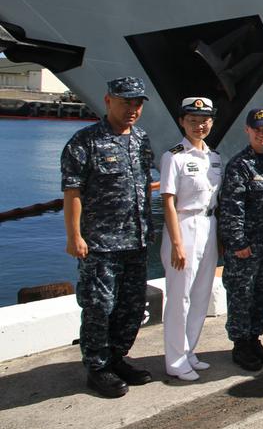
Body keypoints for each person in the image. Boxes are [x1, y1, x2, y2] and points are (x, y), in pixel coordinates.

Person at [60, 76, 154, 398]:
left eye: (138, 103)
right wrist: (74, 236)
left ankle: (117, 357)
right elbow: (73, 191)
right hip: (100, 244)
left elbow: (142, 186)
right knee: (99, 307)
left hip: (136, 242)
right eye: (126, 101)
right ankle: (97, 368)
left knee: (130, 307)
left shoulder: (141, 140)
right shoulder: (84, 141)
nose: (132, 109)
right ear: (108, 100)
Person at [159, 97, 221, 381]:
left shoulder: (214, 158)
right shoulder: (173, 157)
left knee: (200, 294)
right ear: (182, 122)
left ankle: (189, 351)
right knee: (179, 298)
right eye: (193, 120)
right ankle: (174, 359)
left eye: (204, 120)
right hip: (183, 225)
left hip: (209, 224)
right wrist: (176, 243)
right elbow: (168, 202)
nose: (199, 125)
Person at [219, 108, 263, 371]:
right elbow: (231, 207)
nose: (262, 134)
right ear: (248, 130)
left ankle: (255, 338)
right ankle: (240, 344)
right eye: (258, 129)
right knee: (241, 294)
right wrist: (237, 243)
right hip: (246, 245)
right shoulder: (239, 165)